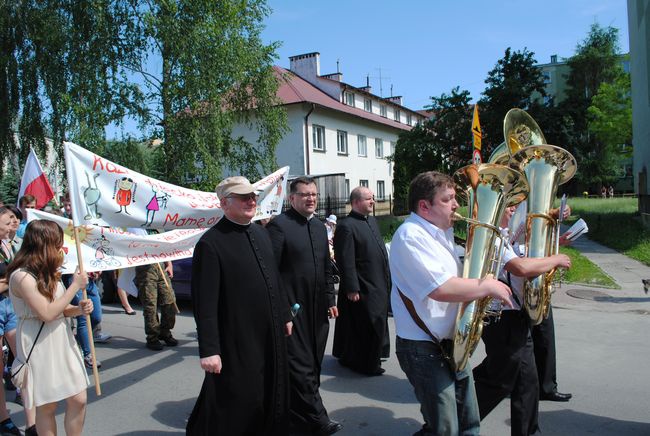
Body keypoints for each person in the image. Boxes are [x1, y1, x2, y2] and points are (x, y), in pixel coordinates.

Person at [389, 171, 513, 436]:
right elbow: (440, 289)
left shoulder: (440, 233)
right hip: (423, 347)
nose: (457, 205)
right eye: (448, 199)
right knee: (445, 427)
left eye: (455, 197)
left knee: (469, 421)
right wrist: (487, 286)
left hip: (450, 341)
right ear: (425, 206)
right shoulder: (411, 236)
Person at [187, 176, 291, 434]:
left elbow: (274, 278)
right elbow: (205, 303)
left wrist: (285, 314)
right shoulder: (211, 244)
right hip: (236, 340)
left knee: (271, 393)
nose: (251, 201)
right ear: (224, 204)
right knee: (238, 402)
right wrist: (209, 349)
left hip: (269, 335)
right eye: (243, 197)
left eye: (253, 196)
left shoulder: (260, 232)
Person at [473, 205, 572, 436]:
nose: (513, 210)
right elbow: (520, 267)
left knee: (527, 382)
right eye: (508, 205)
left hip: (515, 315)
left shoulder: (503, 236)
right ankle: (454, 422)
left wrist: (551, 250)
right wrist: (555, 259)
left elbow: (522, 256)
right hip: (502, 317)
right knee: (499, 380)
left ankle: (528, 432)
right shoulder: (491, 236)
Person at [266, 176, 341, 435]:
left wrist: (331, 298)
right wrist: (282, 310)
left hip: (318, 309)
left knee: (314, 364)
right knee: (301, 366)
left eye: (314, 194)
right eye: (305, 194)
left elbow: (326, 268)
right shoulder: (279, 227)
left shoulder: (320, 228)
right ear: (292, 198)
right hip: (293, 311)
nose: (311, 198)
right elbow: (270, 273)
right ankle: (319, 421)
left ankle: (295, 416)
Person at [7, 219, 92, 436]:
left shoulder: (50, 272)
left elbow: (61, 309)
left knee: (79, 398)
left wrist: (79, 309)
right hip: (38, 343)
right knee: (47, 405)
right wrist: (75, 285)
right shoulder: (21, 276)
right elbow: (46, 313)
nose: (60, 249)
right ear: (44, 244)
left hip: (62, 339)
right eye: (57, 243)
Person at [332, 187, 390, 376]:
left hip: (378, 281)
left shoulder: (371, 220)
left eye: (373, 198)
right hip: (362, 285)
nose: (373, 202)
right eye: (369, 199)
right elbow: (345, 260)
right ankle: (365, 363)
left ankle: (373, 355)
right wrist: (351, 287)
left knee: (377, 321)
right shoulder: (346, 226)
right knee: (367, 324)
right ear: (356, 202)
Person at [134, 258, 177, 351]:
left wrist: (169, 264)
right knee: (150, 305)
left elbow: (163, 246)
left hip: (161, 266)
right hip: (145, 268)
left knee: (169, 301)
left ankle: (165, 332)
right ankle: (152, 337)